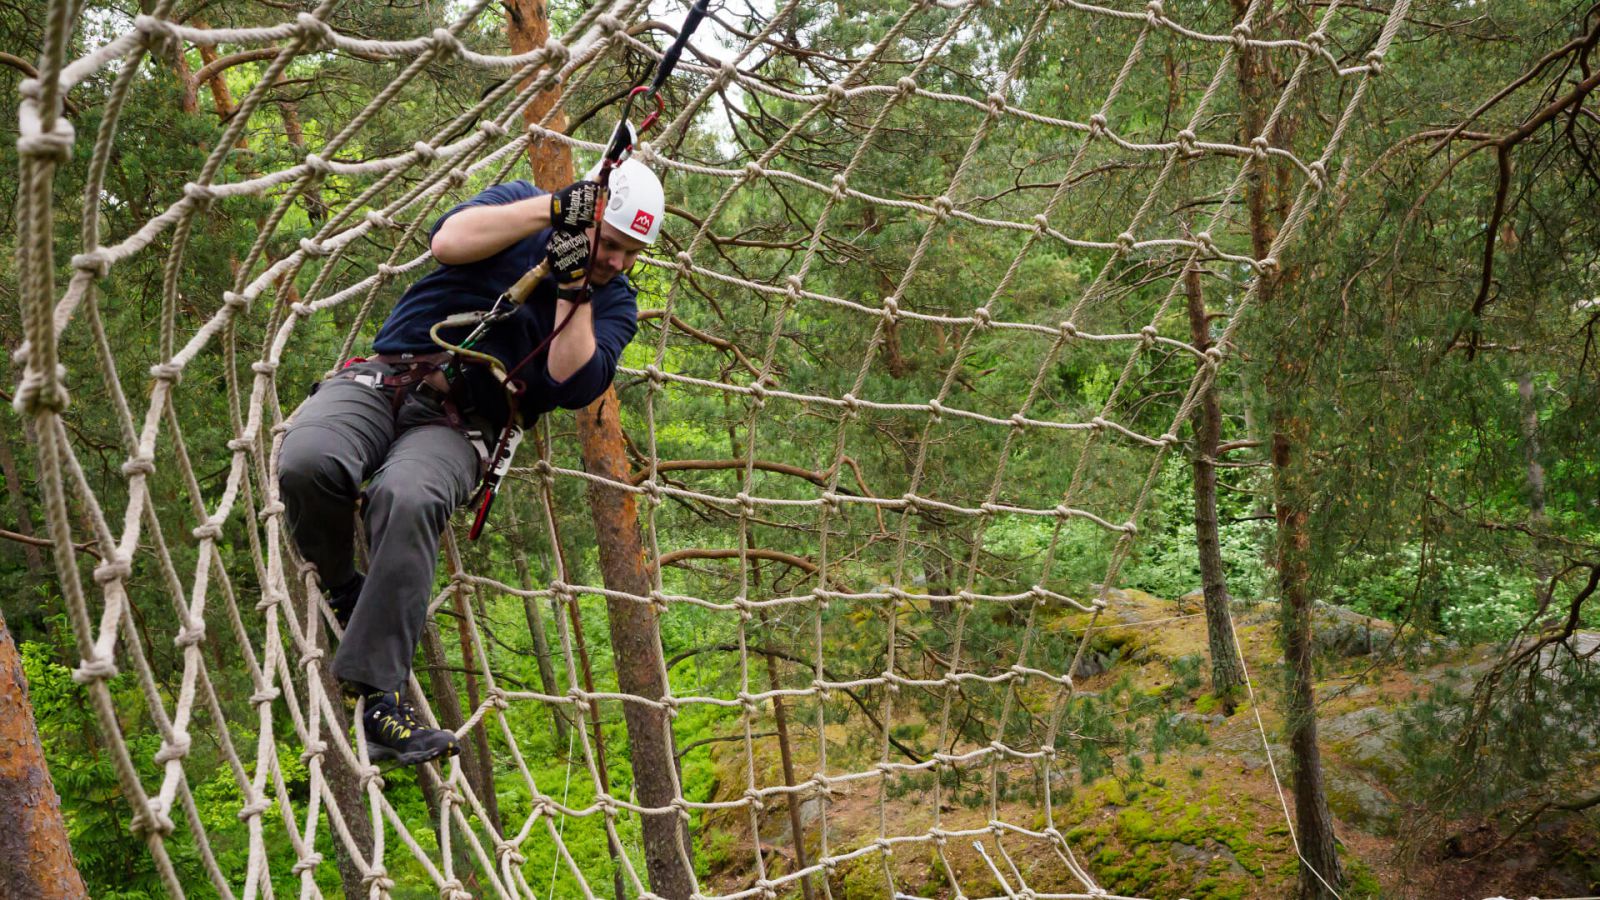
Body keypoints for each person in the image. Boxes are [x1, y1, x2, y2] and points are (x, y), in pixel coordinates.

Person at [277, 159, 663, 764]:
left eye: (631, 252)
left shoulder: (614, 304)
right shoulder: (522, 206)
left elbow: (569, 378)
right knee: (306, 460)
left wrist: (570, 288)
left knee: (407, 497)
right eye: (610, 243)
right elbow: (448, 242)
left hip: (466, 422)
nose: (616, 261)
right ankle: (344, 588)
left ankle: (381, 699)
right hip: (388, 376)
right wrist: (554, 212)